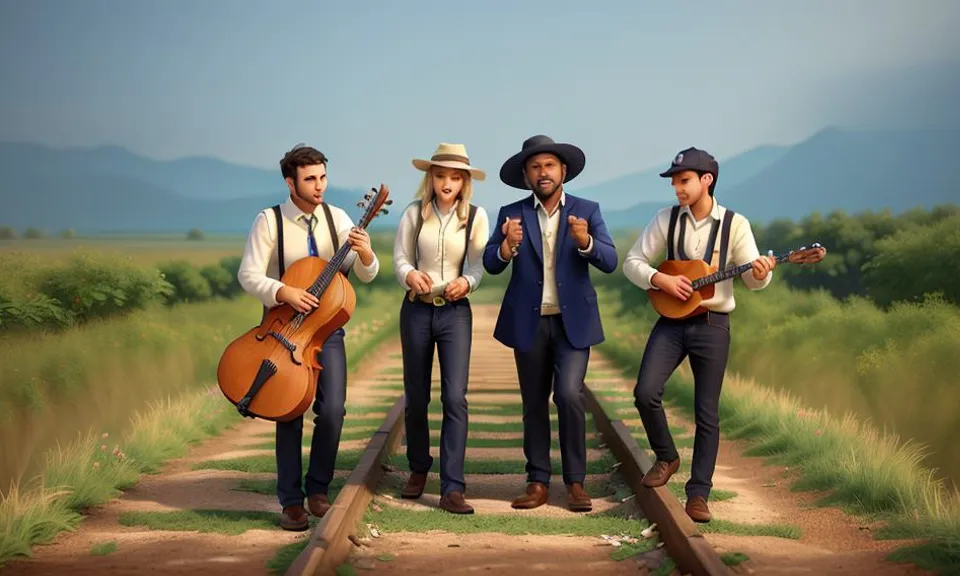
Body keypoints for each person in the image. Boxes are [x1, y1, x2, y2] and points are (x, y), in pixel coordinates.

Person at [622, 147, 806, 523]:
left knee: (706, 412)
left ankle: (699, 494)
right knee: (645, 392)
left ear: (707, 180)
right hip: (671, 322)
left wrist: (761, 270)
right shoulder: (665, 220)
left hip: (713, 325)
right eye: (674, 181)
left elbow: (755, 283)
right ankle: (667, 456)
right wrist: (661, 279)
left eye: (683, 180)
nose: (677, 188)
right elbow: (632, 263)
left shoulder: (735, 224)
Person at [236, 143, 380, 531]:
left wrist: (366, 254)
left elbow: (366, 274)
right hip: (284, 330)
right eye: (310, 179)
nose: (319, 186)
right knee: (290, 410)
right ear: (290, 182)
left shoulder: (339, 218)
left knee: (333, 411)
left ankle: (318, 489)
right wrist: (285, 292)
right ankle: (291, 501)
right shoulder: (269, 221)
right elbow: (248, 275)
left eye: (323, 177)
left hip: (327, 332)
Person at [482, 134, 618, 512]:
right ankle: (538, 481)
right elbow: (492, 263)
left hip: (573, 323)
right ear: (526, 174)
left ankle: (576, 483)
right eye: (535, 167)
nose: (543, 173)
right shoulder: (511, 213)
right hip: (530, 322)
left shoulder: (587, 210)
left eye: (549, 166)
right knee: (534, 403)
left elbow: (610, 261)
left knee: (570, 395)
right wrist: (506, 246)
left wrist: (586, 240)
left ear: (564, 171)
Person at [392, 143, 490, 515]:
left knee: (455, 398)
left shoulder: (476, 217)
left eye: (454, 176)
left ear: (464, 181)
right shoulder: (414, 213)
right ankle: (419, 468)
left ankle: (452, 486)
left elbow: (478, 267)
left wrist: (467, 283)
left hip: (455, 313)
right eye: (440, 175)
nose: (446, 182)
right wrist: (409, 275)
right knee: (416, 397)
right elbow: (400, 258)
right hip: (416, 311)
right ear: (429, 178)